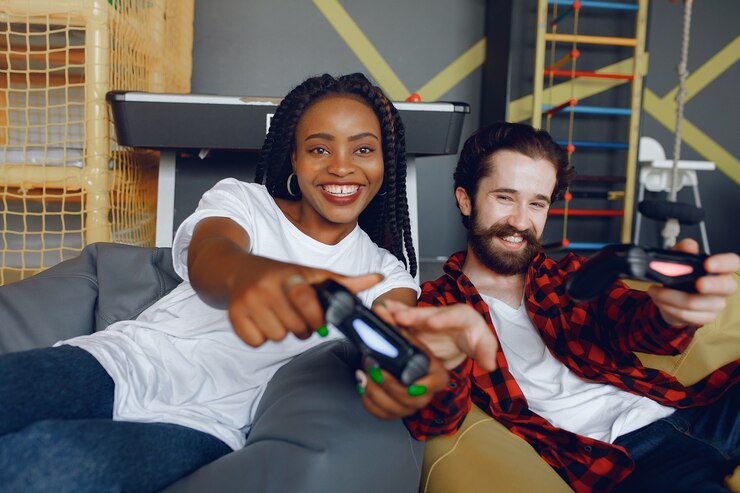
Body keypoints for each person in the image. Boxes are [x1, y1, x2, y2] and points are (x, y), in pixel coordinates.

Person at [0, 73, 449, 493]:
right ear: (294, 157)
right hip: (123, 363)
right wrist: (254, 277)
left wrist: (409, 370)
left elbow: (393, 336)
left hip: (204, 422)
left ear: (383, 163)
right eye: (319, 149)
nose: (342, 167)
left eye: (363, 150)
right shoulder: (244, 201)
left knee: (44, 462)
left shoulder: (386, 273)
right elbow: (210, 259)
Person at [379, 122, 739, 492]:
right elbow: (433, 418)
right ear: (466, 200)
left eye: (537, 203)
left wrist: (673, 314)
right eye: (505, 197)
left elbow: (636, 321)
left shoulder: (570, 278)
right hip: (627, 458)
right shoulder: (439, 307)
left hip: (692, 410)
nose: (521, 221)